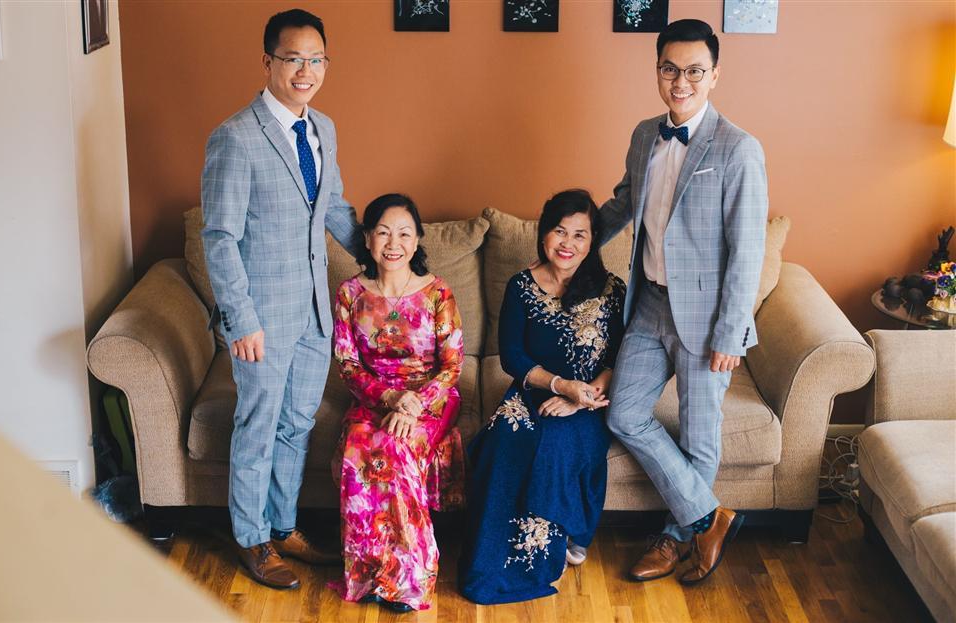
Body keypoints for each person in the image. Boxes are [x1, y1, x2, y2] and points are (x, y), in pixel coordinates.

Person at [599, 19, 769, 585]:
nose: (681, 81)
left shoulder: (739, 149)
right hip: (649, 305)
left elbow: (747, 251)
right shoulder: (644, 134)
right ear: (657, 71)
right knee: (624, 413)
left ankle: (675, 539)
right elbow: (623, 203)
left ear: (715, 75)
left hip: (708, 318)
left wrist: (731, 332)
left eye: (695, 71)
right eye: (670, 69)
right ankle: (709, 517)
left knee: (699, 436)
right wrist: (571, 239)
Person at [200, 9, 364, 590]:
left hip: (315, 313)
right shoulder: (235, 137)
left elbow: (334, 207)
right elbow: (219, 238)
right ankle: (251, 538)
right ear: (268, 61)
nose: (305, 70)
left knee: (297, 423)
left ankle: (282, 525)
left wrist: (380, 255)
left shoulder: (323, 128)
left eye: (316, 59)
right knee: (259, 423)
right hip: (262, 320)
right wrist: (240, 319)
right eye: (293, 58)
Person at [458, 189, 626, 604]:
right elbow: (512, 356)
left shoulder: (611, 289)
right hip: (534, 392)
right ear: (544, 234)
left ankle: (555, 542)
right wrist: (560, 386)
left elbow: (620, 356)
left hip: (591, 402)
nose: (567, 243)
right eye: (559, 231)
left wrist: (580, 396)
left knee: (554, 444)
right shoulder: (521, 286)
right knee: (506, 439)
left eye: (580, 235)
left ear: (593, 240)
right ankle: (488, 560)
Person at [329, 194, 465, 613]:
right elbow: (347, 364)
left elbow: (453, 365)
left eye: (404, 234)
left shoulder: (438, 292)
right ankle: (371, 572)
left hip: (430, 398)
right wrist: (388, 397)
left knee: (397, 447)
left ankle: (409, 578)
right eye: (384, 232)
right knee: (358, 447)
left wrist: (413, 405)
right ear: (368, 238)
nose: (394, 243)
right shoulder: (350, 293)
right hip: (375, 397)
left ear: (417, 239)